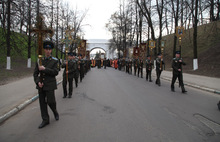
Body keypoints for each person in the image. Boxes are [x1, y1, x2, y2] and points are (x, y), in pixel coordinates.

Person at [33, 40, 59, 129]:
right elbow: (35, 74)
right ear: (44, 50)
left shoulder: (55, 61)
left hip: (50, 84)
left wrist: (44, 69)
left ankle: (55, 112)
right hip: (41, 85)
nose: (48, 51)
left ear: (51, 50)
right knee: (42, 103)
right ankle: (45, 119)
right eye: (46, 49)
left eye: (49, 49)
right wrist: (38, 82)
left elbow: (55, 72)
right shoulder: (40, 60)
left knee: (51, 101)